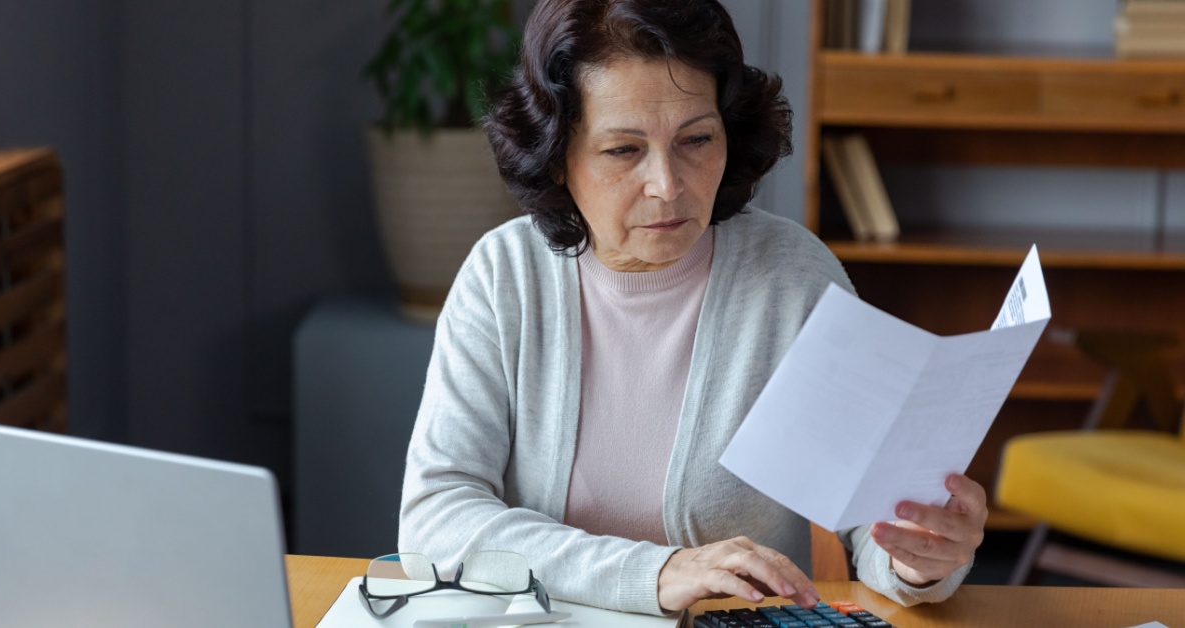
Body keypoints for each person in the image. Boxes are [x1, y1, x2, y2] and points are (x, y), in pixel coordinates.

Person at [399, 0, 985, 616]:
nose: (668, 185)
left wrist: (918, 559)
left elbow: (874, 524)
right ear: (557, 156)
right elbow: (436, 518)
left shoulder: (792, 278)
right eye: (624, 150)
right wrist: (656, 572)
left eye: (696, 140)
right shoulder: (504, 278)